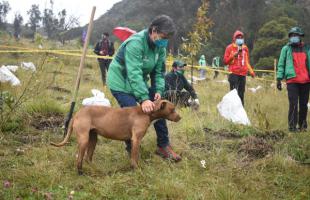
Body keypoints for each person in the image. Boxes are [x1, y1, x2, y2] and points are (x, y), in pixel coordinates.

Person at [107, 15, 181, 161]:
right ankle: (133, 149)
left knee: (159, 108)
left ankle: (163, 146)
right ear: (153, 30)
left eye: (167, 38)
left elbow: (159, 72)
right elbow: (133, 73)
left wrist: (158, 91)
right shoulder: (136, 43)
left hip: (138, 81)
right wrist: (144, 99)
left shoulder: (160, 47)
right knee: (132, 112)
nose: (165, 41)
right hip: (121, 81)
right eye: (163, 36)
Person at [276, 27, 310, 132]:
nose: (294, 37)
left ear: (300, 36)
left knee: (304, 105)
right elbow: (281, 64)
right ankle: (292, 127)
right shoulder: (285, 49)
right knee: (293, 104)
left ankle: (303, 126)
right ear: (290, 37)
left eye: (296, 35)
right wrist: (279, 79)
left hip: (305, 81)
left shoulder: (306, 49)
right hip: (292, 81)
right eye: (292, 35)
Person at [223, 30, 255, 105]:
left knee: (241, 94)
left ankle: (241, 111)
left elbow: (247, 61)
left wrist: (251, 72)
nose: (240, 38)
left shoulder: (245, 48)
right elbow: (225, 61)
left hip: (243, 74)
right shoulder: (229, 48)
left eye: (241, 37)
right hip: (233, 73)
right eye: (238, 37)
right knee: (233, 94)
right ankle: (232, 111)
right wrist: (233, 55)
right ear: (234, 38)